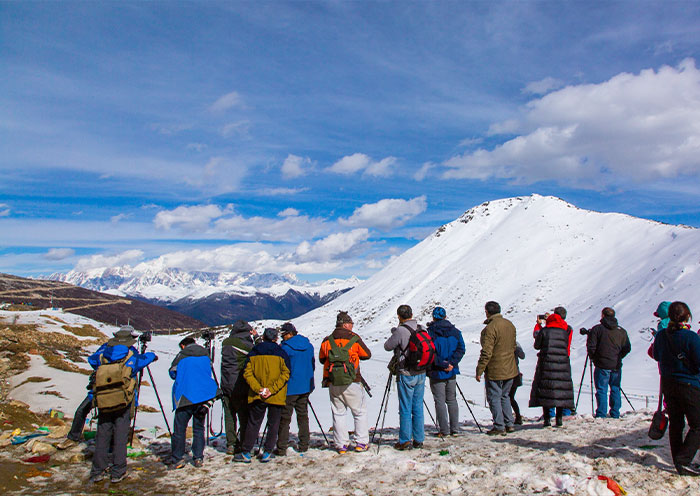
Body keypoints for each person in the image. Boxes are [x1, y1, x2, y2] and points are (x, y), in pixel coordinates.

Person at [87, 327, 156, 484]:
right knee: (120, 433)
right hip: (123, 399)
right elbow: (143, 360)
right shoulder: (130, 354)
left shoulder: (104, 353)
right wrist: (151, 355)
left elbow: (92, 360)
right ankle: (118, 471)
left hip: (104, 398)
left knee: (103, 432)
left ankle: (98, 470)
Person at [652, 301, 700, 476]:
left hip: (668, 384)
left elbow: (656, 355)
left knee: (676, 423)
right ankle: (684, 459)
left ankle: (679, 462)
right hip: (689, 385)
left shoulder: (661, 336)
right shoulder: (691, 337)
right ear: (687, 317)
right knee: (697, 425)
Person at [234, 328, 290, 463]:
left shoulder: (254, 352)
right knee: (273, 423)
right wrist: (272, 389)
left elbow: (247, 372)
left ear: (263, 337)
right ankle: (268, 451)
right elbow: (286, 374)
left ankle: (246, 452)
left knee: (254, 423)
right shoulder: (281, 353)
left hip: (257, 395)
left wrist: (258, 389)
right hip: (276, 395)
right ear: (276, 339)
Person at [319, 311, 372, 454]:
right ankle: (361, 443)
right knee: (359, 412)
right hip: (352, 380)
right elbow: (366, 354)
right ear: (346, 324)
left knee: (338, 413)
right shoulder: (354, 338)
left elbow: (322, 359)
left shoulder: (327, 340)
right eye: (351, 324)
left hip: (333, 381)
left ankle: (341, 445)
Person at [168, 336, 219, 469]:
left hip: (185, 396)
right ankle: (198, 457)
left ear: (183, 345)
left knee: (180, 429)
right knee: (198, 428)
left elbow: (173, 373)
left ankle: (177, 458)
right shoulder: (205, 354)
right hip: (202, 396)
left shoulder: (181, 355)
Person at [384, 304, 429, 449]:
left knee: (405, 407)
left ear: (399, 316)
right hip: (421, 372)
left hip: (406, 373)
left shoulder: (401, 331)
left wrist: (395, 333)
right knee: (418, 406)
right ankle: (419, 439)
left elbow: (387, 346)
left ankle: (404, 440)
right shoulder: (421, 328)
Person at [475, 301, 519, 435]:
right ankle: (509, 423)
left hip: (495, 368)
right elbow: (513, 346)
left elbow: (487, 352)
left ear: (487, 312)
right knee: (505, 396)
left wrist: (480, 369)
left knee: (494, 397)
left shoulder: (490, 328)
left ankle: (499, 425)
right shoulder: (509, 325)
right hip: (510, 367)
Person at [529, 312, 576, 427]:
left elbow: (537, 346)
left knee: (546, 392)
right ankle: (559, 419)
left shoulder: (545, 331)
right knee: (560, 392)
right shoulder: (565, 332)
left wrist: (539, 326)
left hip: (547, 364)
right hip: (562, 364)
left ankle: (547, 420)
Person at [275, 322, 315, 456]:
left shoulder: (285, 348)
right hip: (305, 385)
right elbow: (312, 364)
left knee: (285, 418)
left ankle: (281, 447)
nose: (283, 337)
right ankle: (304, 444)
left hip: (290, 386)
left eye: (284, 334)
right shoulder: (308, 346)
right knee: (303, 415)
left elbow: (281, 367)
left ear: (290, 334)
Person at [220, 320, 260, 454]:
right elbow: (261, 351)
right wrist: (256, 337)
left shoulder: (226, 343)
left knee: (229, 414)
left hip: (225, 384)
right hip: (241, 384)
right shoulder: (247, 345)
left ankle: (231, 443)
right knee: (244, 415)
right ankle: (244, 442)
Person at [426, 306, 465, 437]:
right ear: (445, 316)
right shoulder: (455, 332)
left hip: (437, 371)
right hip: (451, 371)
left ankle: (444, 430)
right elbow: (461, 349)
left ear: (433, 317)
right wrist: (452, 363)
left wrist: (441, 363)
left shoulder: (430, 332)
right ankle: (455, 428)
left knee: (440, 401)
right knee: (452, 399)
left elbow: (429, 352)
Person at [586, 307, 631, 419]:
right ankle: (615, 412)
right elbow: (627, 348)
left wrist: (594, 358)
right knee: (615, 387)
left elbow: (591, 347)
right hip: (616, 364)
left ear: (603, 316)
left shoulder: (597, 329)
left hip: (602, 364)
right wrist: (619, 357)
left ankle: (601, 413)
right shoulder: (621, 331)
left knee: (602, 389)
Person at [510, 342, 525, 425]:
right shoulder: (515, 343)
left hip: (511, 374)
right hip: (515, 373)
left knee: (508, 397)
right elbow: (522, 356)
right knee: (510, 397)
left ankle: (515, 417)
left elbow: (522, 356)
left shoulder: (514, 344)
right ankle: (517, 417)